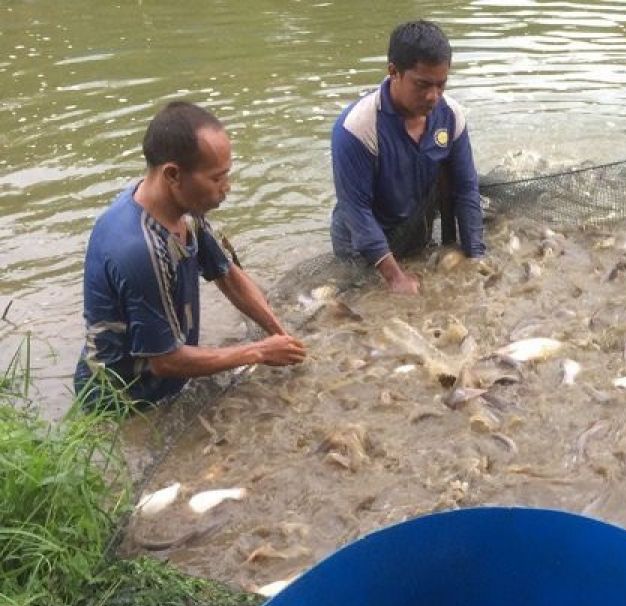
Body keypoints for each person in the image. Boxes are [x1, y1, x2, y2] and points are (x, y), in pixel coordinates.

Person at [74, 101, 306, 407]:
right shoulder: (141, 250)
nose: (227, 188)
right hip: (123, 402)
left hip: (163, 379)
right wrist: (260, 352)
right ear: (173, 174)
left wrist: (280, 336)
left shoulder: (182, 210)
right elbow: (165, 361)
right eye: (216, 178)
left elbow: (229, 278)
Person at [330, 19, 485, 295]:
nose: (433, 96)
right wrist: (395, 278)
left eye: (441, 85)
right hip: (360, 244)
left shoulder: (451, 117)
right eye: (422, 84)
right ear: (394, 72)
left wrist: (476, 256)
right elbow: (357, 212)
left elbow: (466, 190)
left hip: (413, 228)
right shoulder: (357, 127)